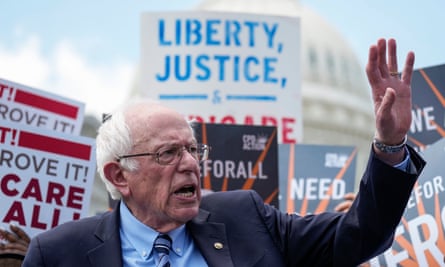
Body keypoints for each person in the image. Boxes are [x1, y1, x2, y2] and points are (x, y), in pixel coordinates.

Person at [23, 38, 425, 266]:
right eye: (168, 154)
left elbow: (361, 234)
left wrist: (390, 144)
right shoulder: (57, 255)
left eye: (194, 149)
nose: (190, 164)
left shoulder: (245, 218)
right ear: (118, 176)